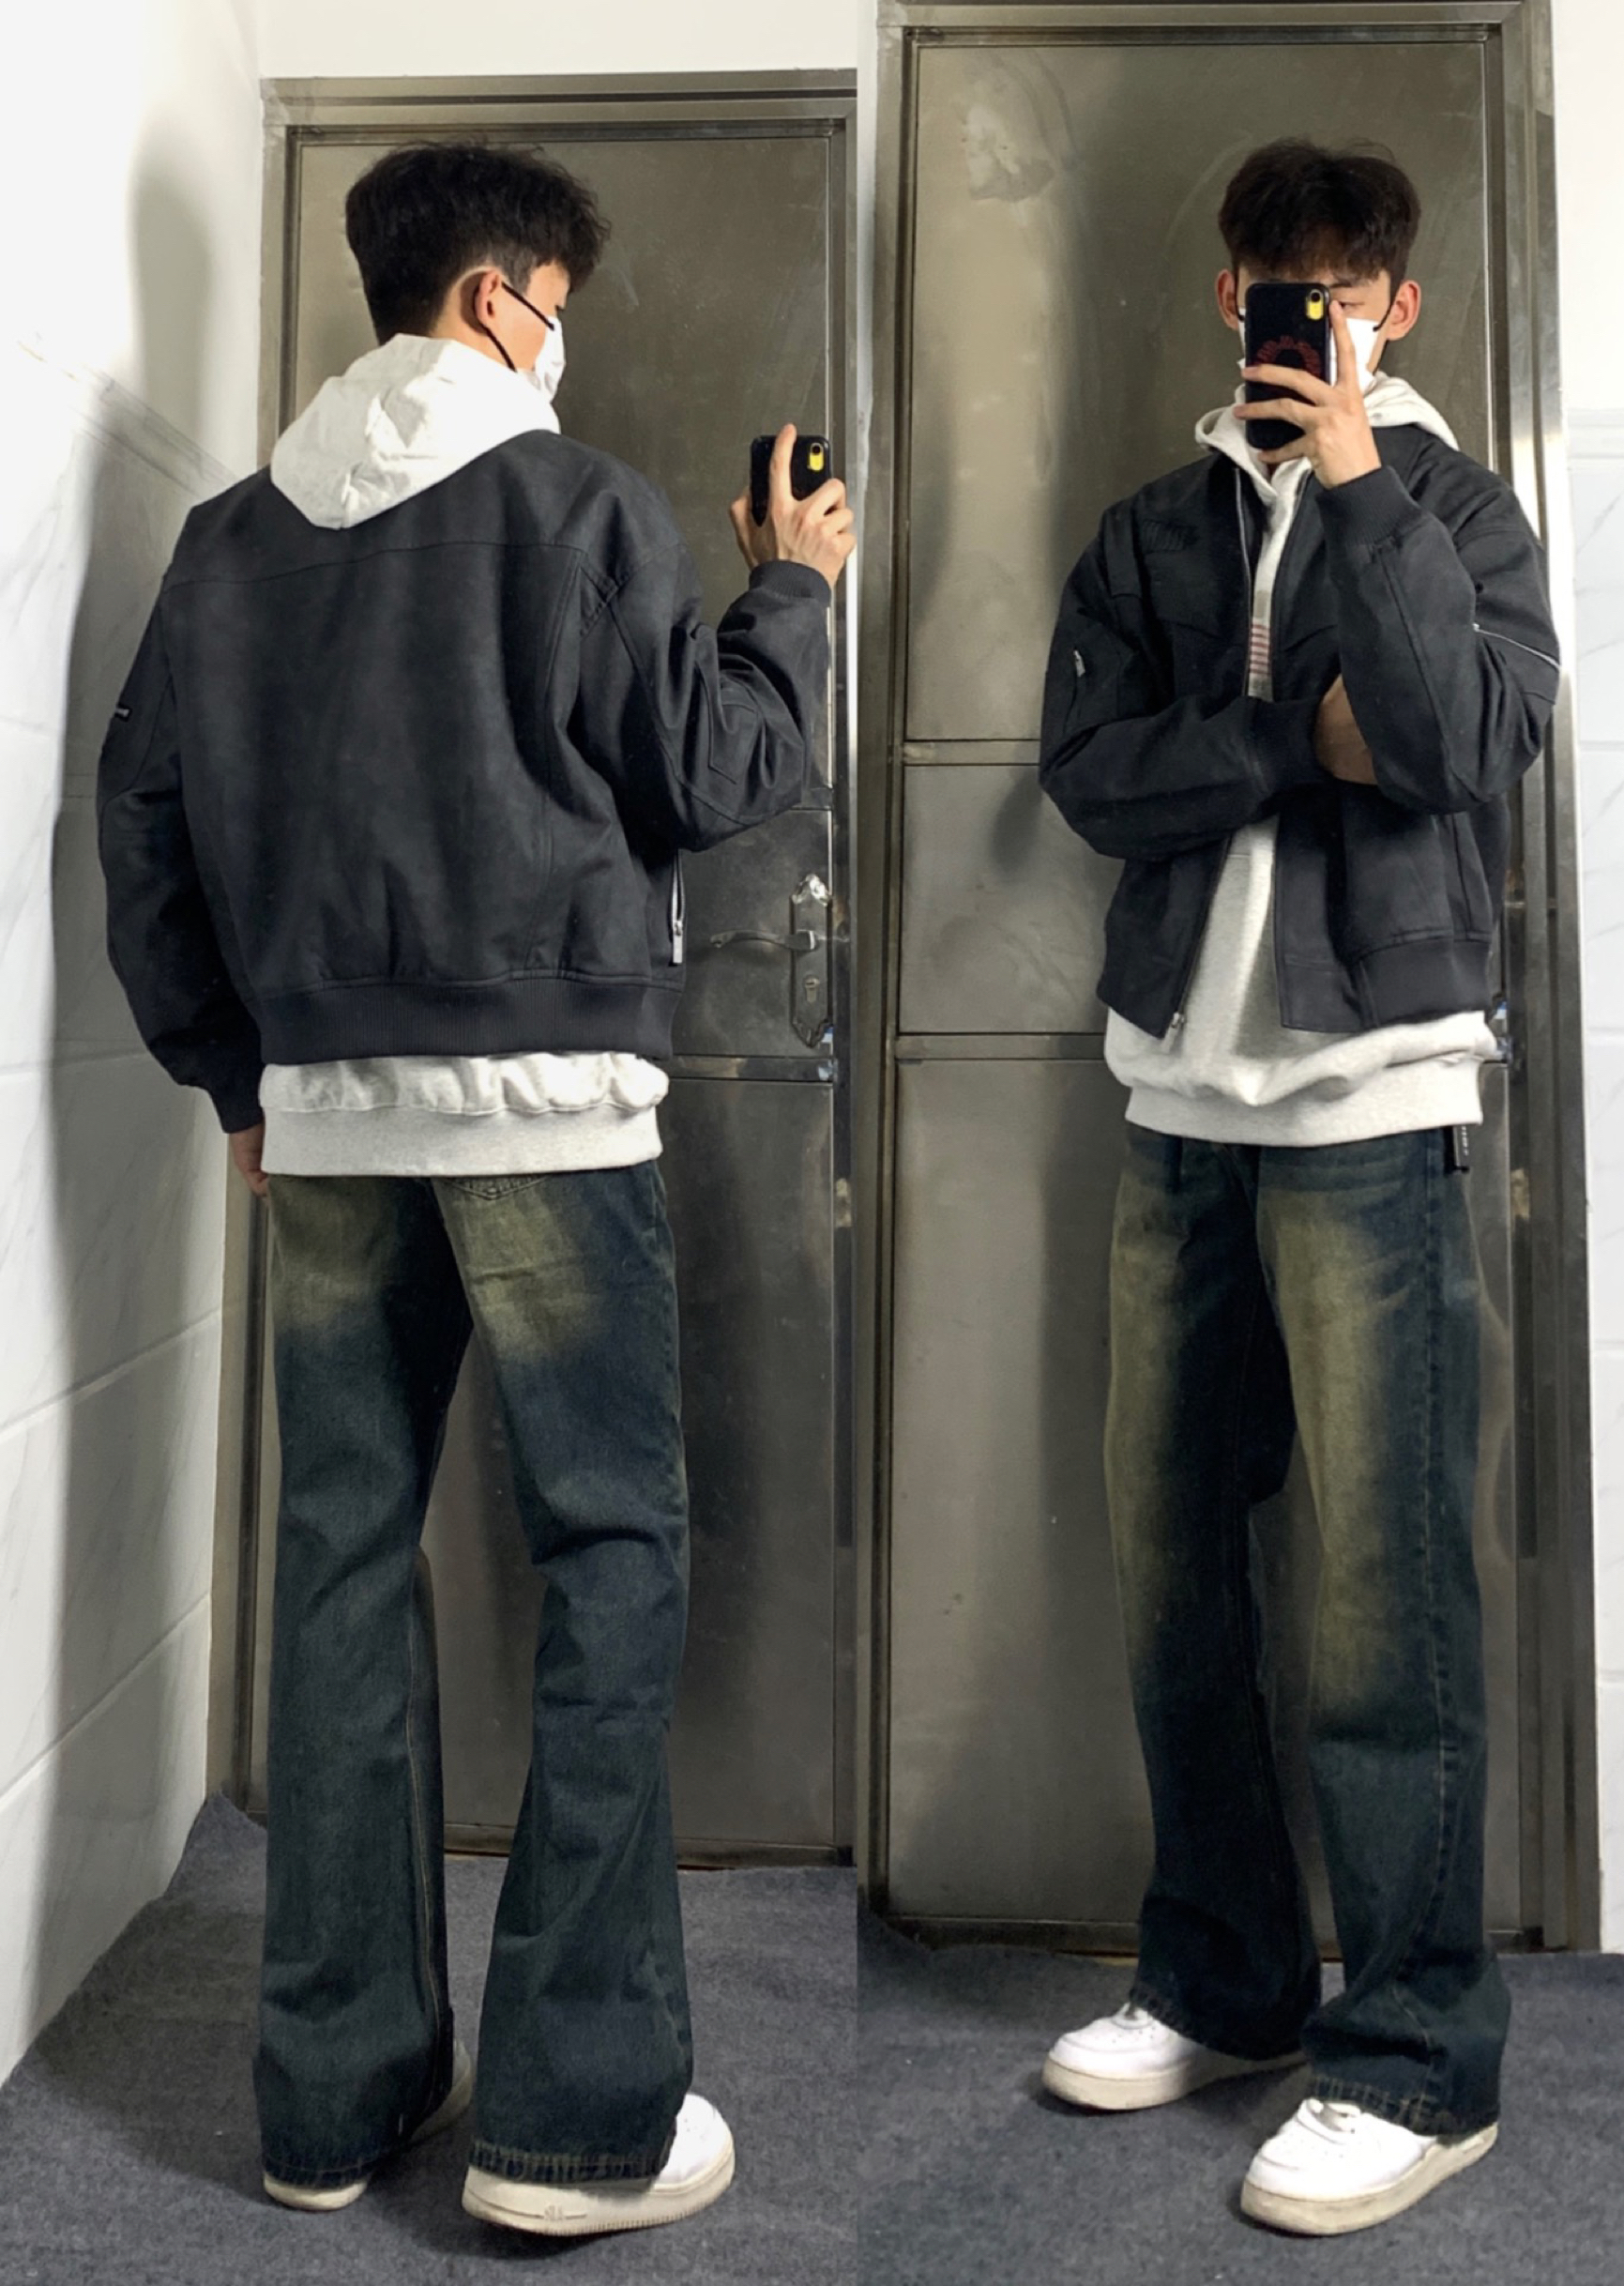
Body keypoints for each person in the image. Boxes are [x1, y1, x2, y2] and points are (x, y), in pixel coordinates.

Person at [98, 141, 853, 2238]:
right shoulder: (576, 505)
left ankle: (331, 2100)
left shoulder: (229, 539)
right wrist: (792, 589)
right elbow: (713, 776)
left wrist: (234, 1072)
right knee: (608, 1555)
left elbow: (140, 819)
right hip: (545, 1121)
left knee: (341, 1570)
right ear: (500, 299)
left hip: (332, 1125)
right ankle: (574, 2128)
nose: (560, 345)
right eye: (558, 309)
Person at [1036, 140, 1559, 2236]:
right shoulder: (1151, 526)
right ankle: (1223, 1979)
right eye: (1274, 282)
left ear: (1395, 308)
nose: (1303, 315)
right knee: (1173, 1579)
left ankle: (1416, 2055)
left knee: (1381, 1605)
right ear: (1228, 292)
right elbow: (1090, 777)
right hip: (1176, 1103)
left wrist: (1350, 479)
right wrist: (1275, 737)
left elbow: (1455, 743)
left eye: (1337, 287)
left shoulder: (1453, 511)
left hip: (1374, 1109)